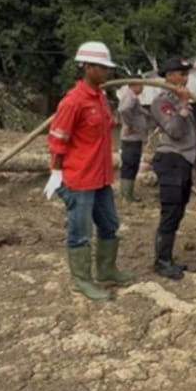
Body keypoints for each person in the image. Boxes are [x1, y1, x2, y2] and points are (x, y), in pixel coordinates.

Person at [49, 41, 131, 302]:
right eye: (102, 68)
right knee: (80, 232)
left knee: (109, 224)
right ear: (87, 67)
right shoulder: (73, 102)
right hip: (79, 180)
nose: (106, 73)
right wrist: (56, 173)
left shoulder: (100, 98)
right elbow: (57, 140)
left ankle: (107, 269)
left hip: (101, 178)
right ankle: (81, 281)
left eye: (107, 68)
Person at [149, 55, 196, 280]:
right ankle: (161, 261)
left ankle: (168, 256)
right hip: (170, 161)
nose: (185, 78)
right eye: (181, 74)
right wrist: (183, 106)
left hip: (184, 162)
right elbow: (174, 130)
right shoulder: (162, 102)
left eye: (187, 74)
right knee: (170, 212)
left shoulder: (185, 100)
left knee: (178, 212)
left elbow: (192, 136)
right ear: (169, 76)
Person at [117, 80, 150, 202]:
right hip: (131, 138)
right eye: (141, 85)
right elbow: (124, 110)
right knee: (130, 164)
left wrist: (145, 113)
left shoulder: (130, 96)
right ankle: (128, 195)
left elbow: (134, 109)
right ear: (134, 85)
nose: (142, 88)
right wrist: (130, 125)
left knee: (129, 165)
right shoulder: (131, 96)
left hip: (132, 138)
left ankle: (126, 193)